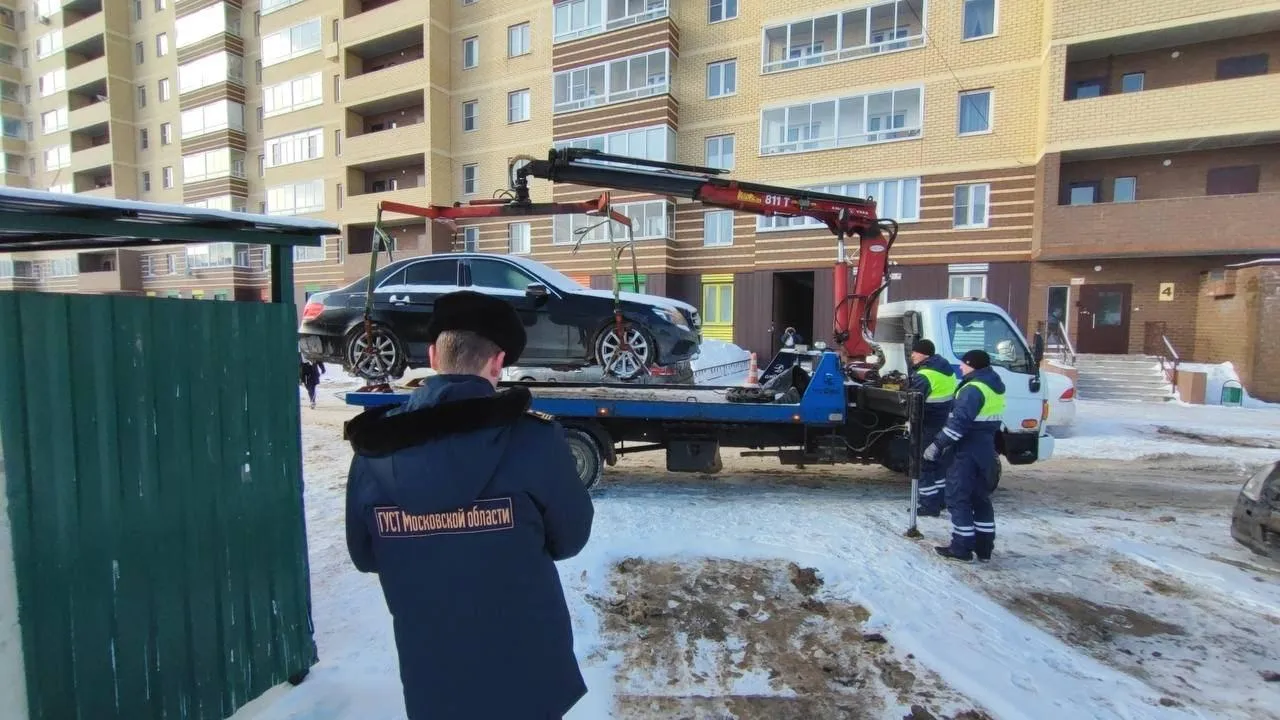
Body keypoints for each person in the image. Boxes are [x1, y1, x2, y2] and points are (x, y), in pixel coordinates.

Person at [344, 290, 595, 720]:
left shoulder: (374, 451)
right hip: (530, 677)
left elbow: (365, 555)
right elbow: (571, 538)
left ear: (432, 356)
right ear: (497, 362)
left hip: (435, 679)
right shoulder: (535, 441)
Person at [922, 349, 1005, 562]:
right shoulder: (993, 385)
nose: (960, 367)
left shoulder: (972, 389)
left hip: (968, 450)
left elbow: (958, 425)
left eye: (964, 364)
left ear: (972, 365)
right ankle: (984, 548)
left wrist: (937, 445)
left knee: (958, 497)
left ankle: (961, 547)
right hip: (986, 448)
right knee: (980, 499)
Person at [906, 339, 958, 517]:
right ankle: (941, 500)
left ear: (924, 354)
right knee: (938, 465)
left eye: (915, 352)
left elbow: (914, 403)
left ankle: (929, 505)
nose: (912, 355)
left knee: (924, 465)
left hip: (927, 424)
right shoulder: (947, 369)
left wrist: (909, 419)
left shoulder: (925, 375)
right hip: (942, 424)